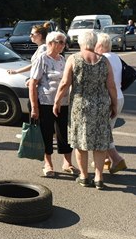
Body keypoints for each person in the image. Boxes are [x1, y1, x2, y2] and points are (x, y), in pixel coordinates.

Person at [53, 31, 117, 190]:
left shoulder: (74, 59)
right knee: (100, 142)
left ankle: (84, 176)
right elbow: (111, 85)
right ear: (94, 43)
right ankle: (99, 177)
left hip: (81, 106)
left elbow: (65, 83)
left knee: (81, 142)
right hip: (101, 105)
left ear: (81, 43)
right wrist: (114, 104)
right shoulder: (104, 61)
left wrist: (57, 101)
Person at [28, 31, 76, 177]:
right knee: (46, 133)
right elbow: (32, 83)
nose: (63, 45)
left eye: (64, 42)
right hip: (45, 102)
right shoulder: (42, 59)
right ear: (50, 43)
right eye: (60, 42)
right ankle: (48, 163)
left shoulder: (62, 59)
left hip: (64, 102)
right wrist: (35, 107)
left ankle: (67, 163)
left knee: (65, 133)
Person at [95, 33, 127, 174]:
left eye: (95, 44)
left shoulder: (102, 59)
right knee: (108, 130)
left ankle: (116, 159)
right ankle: (106, 159)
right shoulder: (115, 57)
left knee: (102, 132)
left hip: (108, 98)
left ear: (100, 45)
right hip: (119, 97)